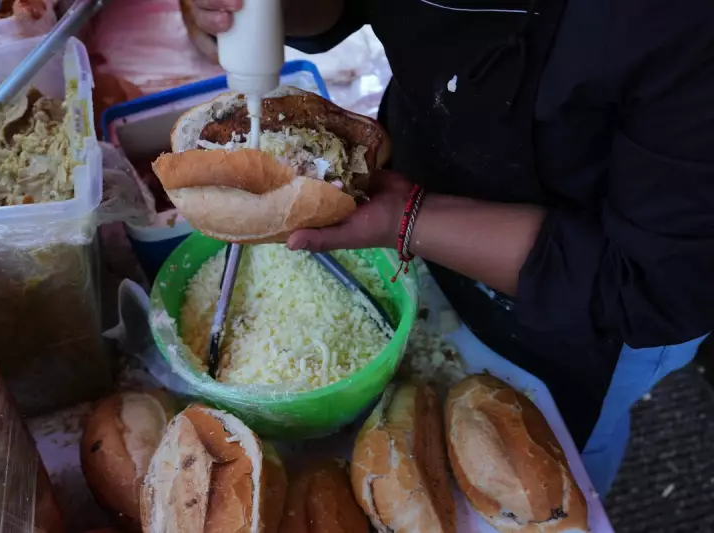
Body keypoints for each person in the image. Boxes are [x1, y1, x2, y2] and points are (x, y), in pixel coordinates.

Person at [190, 0, 714, 496]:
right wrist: (251, 13)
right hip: (423, 193)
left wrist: (408, 218)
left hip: (596, 305)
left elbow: (654, 287)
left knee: (552, 457)